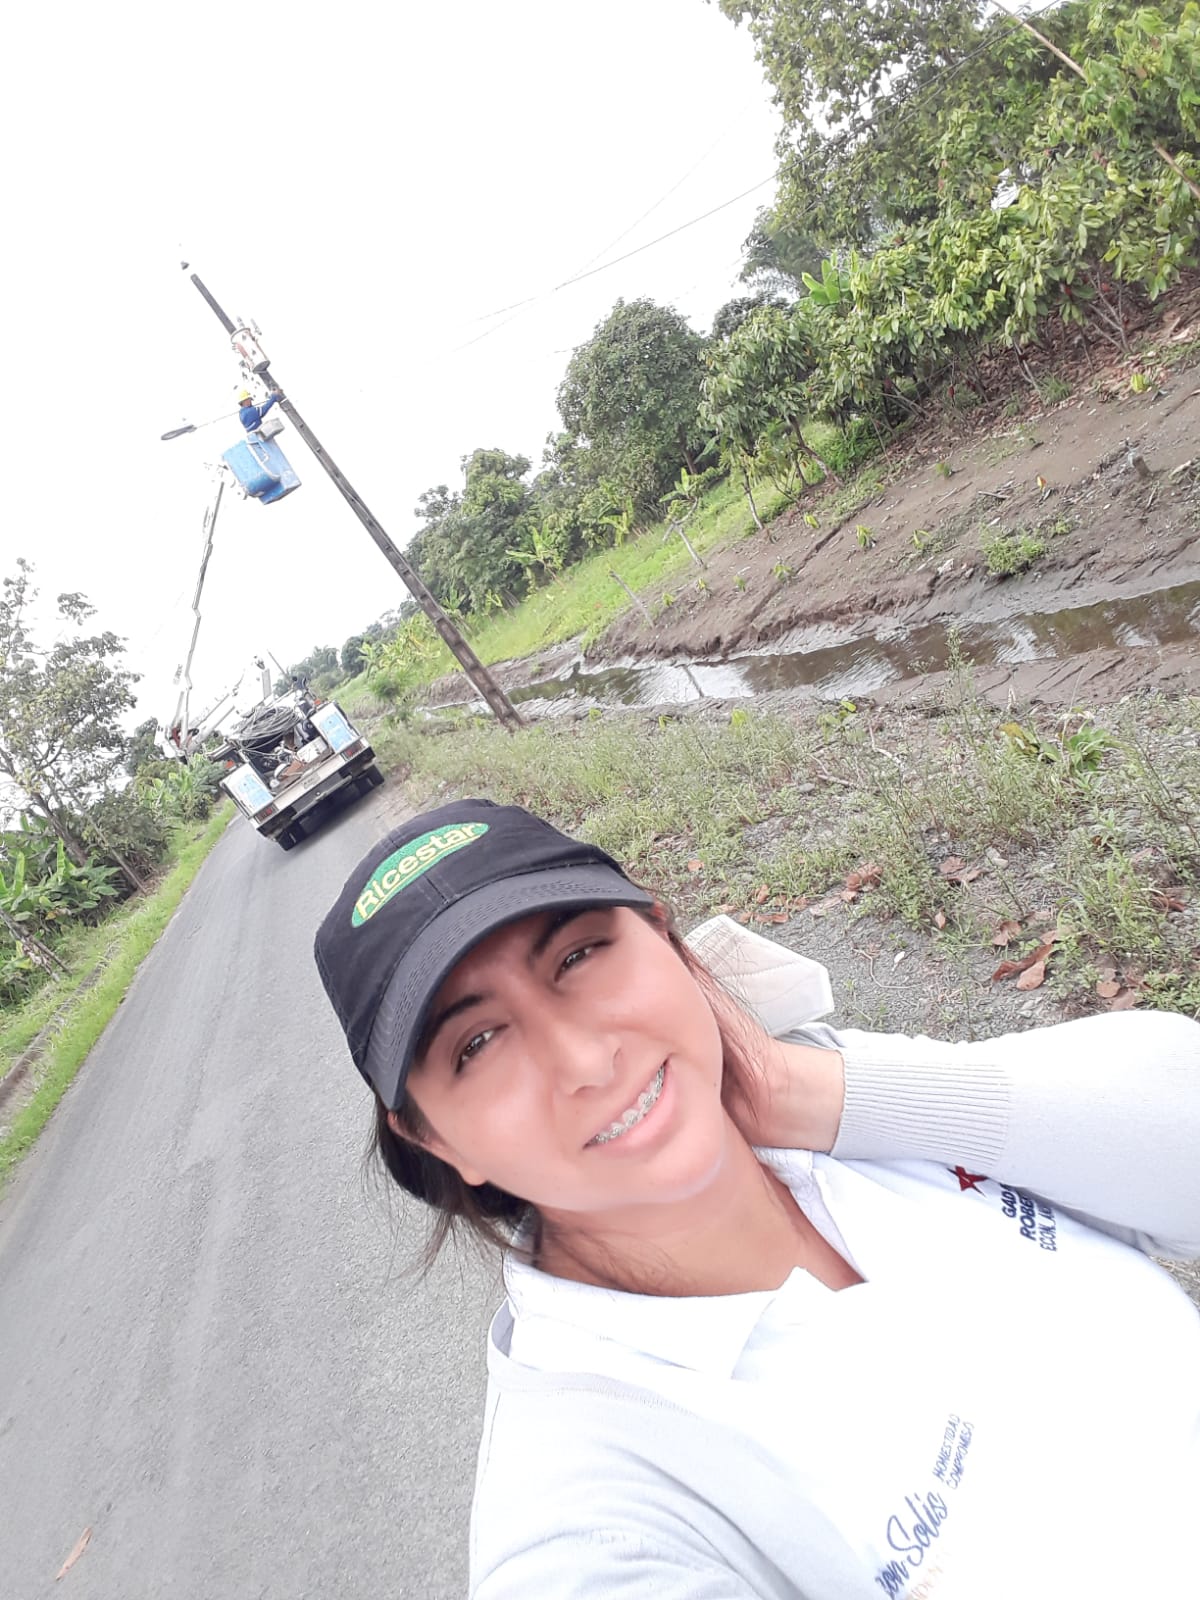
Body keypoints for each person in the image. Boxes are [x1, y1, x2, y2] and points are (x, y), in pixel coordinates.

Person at [314, 798, 1200, 1599]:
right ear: (432, 1140)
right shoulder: (596, 1515)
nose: (584, 1061)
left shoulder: (848, 1109)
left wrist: (800, 1089)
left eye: (579, 955)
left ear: (666, 940)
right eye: (476, 1044)